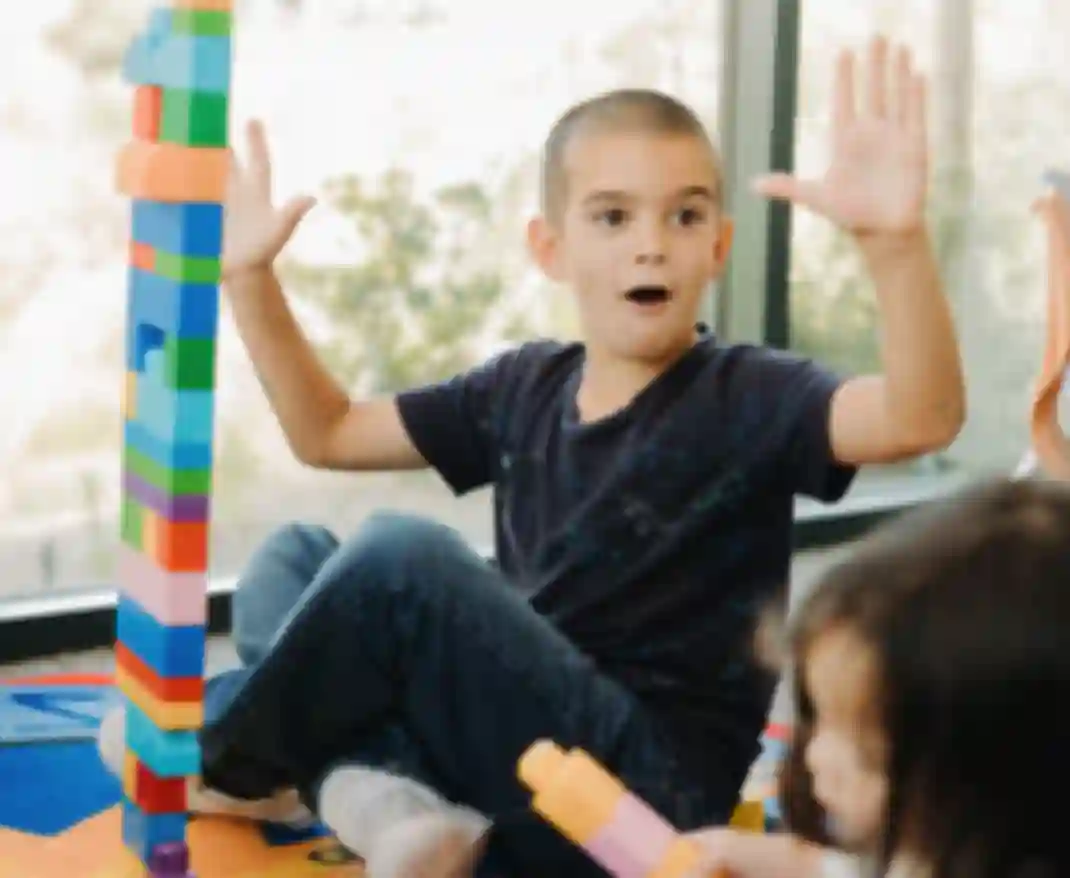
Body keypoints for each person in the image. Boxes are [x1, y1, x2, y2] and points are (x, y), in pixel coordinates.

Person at [98, 35, 964, 878]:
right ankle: (389, 807)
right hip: (512, 755)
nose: (651, 242)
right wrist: (250, 279)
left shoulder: (754, 394)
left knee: (401, 559)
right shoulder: (524, 385)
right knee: (294, 560)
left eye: (686, 215)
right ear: (551, 247)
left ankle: (217, 755)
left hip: (635, 803)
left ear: (718, 247)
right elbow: (325, 433)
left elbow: (918, 419)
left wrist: (893, 246)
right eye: (613, 216)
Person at [686, 477, 1070, 878]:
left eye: (868, 758)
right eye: (818, 716)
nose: (819, 756)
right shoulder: (943, 851)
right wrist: (784, 862)